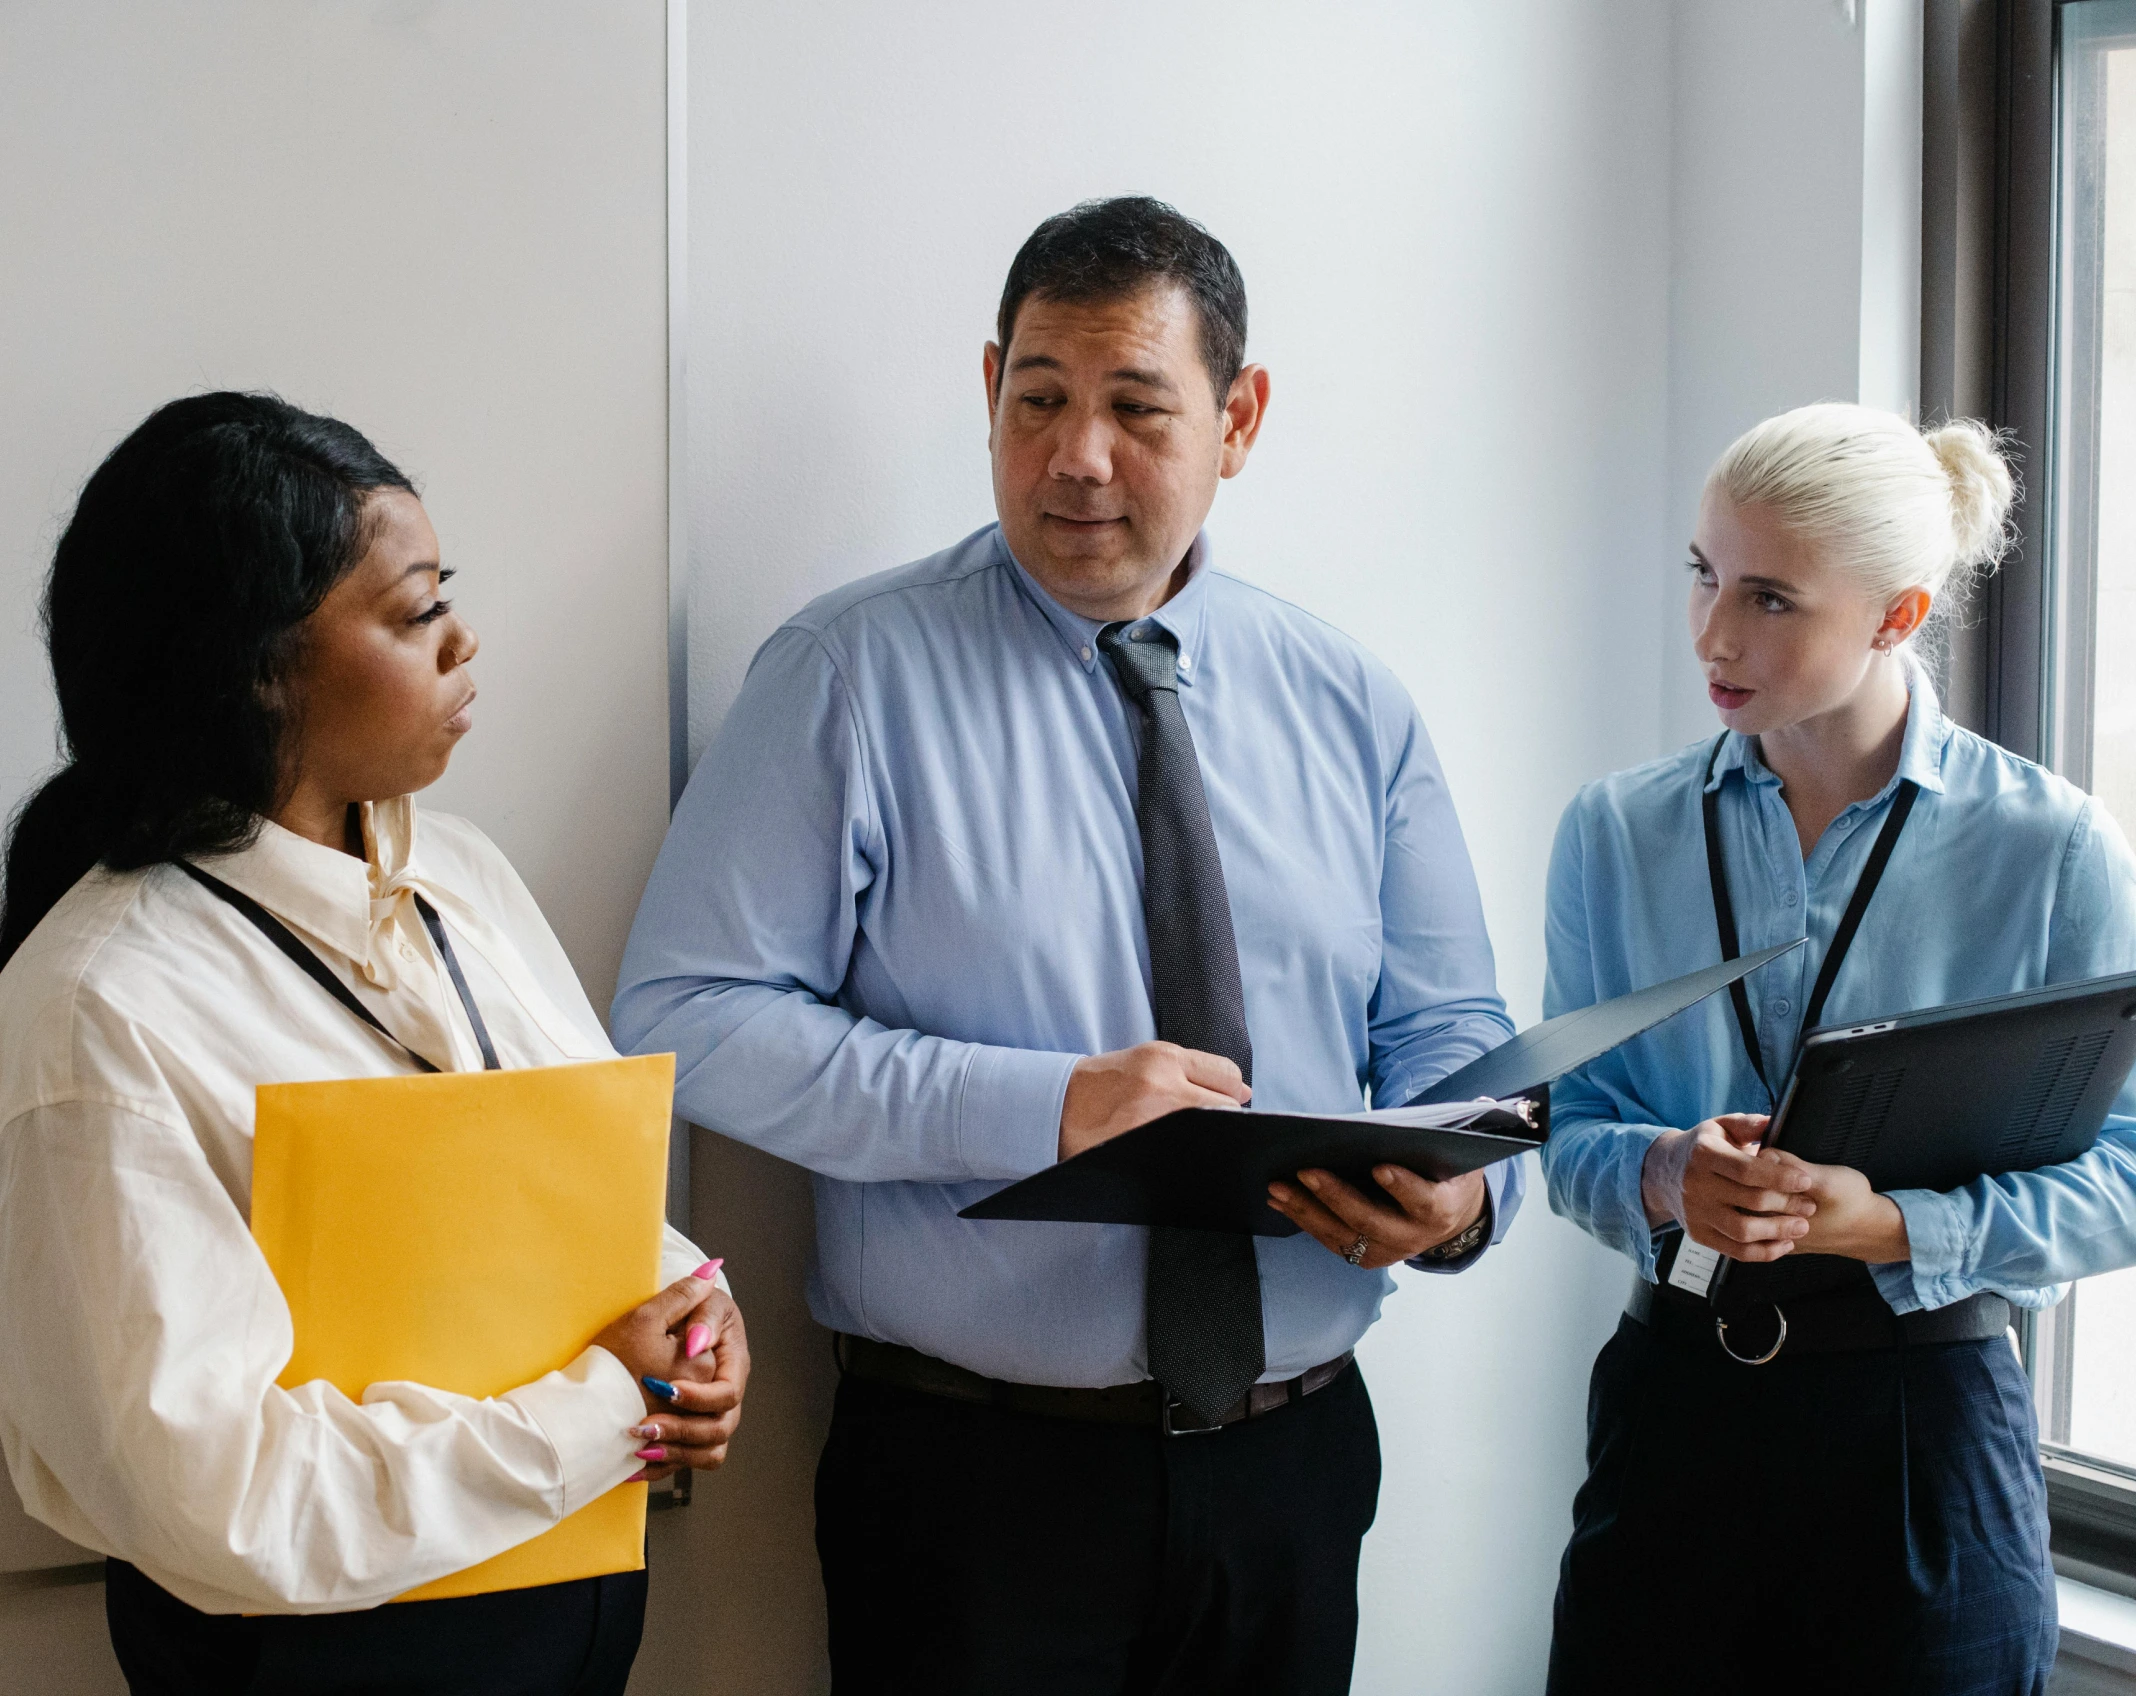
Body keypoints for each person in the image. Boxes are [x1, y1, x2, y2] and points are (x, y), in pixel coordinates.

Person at [612, 195, 1523, 1694]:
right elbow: (686, 1015)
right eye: (1037, 400)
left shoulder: (1352, 699)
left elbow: (1450, 1036)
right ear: (989, 393)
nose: (1076, 455)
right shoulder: (848, 677)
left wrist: (1463, 1202)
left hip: (1294, 1466)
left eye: (1134, 408)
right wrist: (1045, 1107)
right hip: (977, 1485)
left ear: (1241, 422)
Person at [0, 393, 751, 1696]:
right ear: (254, 667)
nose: (466, 642)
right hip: (320, 1657)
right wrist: (601, 1410)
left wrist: (691, 1316)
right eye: (414, 615)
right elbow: (213, 1495)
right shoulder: (100, 1008)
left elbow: (574, 1169)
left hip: (563, 1594)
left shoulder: (460, 873)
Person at [1539, 402, 2136, 1695]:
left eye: (1769, 598)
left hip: (1927, 1423)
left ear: (1898, 617)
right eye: (1704, 574)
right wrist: (1658, 1174)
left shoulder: (2056, 851)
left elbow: (2130, 1179)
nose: (1712, 633)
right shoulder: (1613, 832)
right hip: (1675, 1405)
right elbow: (1567, 1132)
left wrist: (1893, 1229)